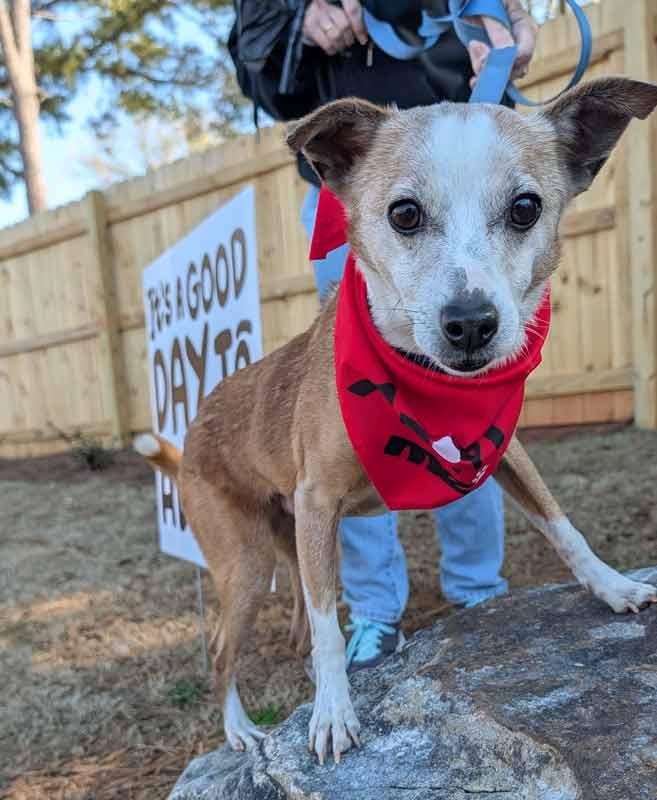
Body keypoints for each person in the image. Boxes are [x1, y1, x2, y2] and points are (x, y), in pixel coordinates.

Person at [229, 0, 539, 672]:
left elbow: (500, 11)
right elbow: (254, 63)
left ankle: (477, 593)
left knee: (469, 403)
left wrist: (512, 26)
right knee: (349, 414)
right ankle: (373, 610)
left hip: (470, 155)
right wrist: (296, 26)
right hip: (365, 174)